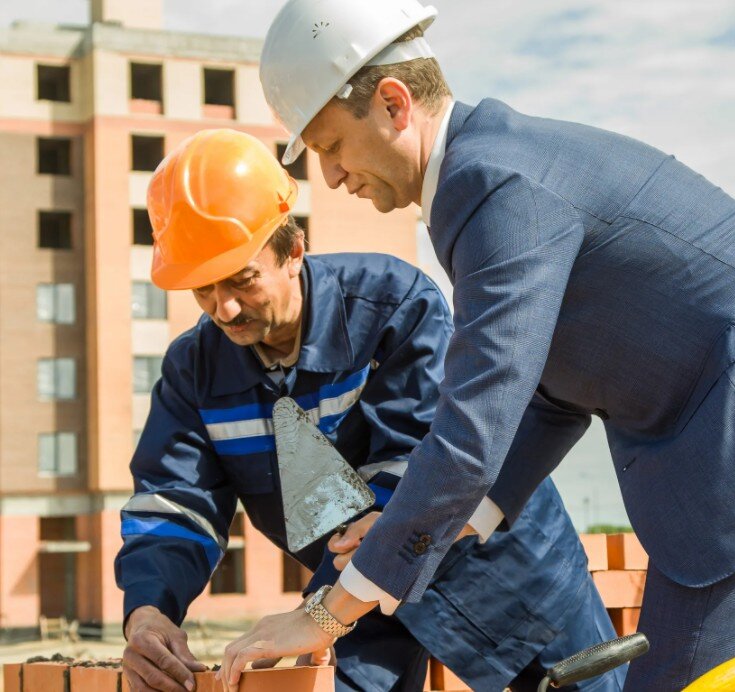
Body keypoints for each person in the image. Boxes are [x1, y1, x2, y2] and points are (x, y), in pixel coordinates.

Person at [218, 1, 735, 690]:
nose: (332, 176)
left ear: (393, 103)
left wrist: (329, 613)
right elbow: (549, 392)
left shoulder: (492, 186)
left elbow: (472, 431)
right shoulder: (498, 169)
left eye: (332, 146)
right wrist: (434, 522)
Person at [114, 128, 623, 692]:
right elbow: (175, 503)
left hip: (501, 572)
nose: (225, 309)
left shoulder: (392, 308)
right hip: (357, 599)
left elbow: (420, 477)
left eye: (243, 280)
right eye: (204, 290)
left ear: (293, 251)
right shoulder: (194, 371)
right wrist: (149, 611)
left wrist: (321, 610)